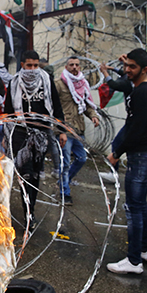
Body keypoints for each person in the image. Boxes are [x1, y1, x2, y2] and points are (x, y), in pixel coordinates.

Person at [106, 49, 147, 274]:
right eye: (126, 65)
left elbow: (135, 130)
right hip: (145, 154)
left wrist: (117, 152)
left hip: (141, 155)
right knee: (140, 207)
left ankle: (134, 260)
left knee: (133, 209)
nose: (127, 70)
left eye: (132, 67)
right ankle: (145, 250)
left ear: (144, 69)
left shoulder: (142, 93)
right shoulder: (143, 89)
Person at [4, 50, 67, 233]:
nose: (33, 69)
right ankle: (25, 211)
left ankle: (29, 211)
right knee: (23, 175)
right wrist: (6, 135)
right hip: (20, 134)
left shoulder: (46, 81)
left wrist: (61, 130)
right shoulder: (14, 83)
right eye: (29, 65)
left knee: (35, 176)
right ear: (22, 64)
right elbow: (8, 111)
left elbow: (56, 105)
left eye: (36, 65)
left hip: (41, 134)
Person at [55, 56, 100, 205]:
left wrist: (93, 116)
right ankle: (64, 193)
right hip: (65, 129)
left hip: (79, 129)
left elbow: (87, 104)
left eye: (77, 65)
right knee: (65, 162)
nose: (75, 67)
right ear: (66, 67)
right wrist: (58, 128)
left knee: (81, 158)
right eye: (71, 65)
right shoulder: (59, 85)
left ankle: (64, 182)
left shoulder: (82, 84)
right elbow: (53, 106)